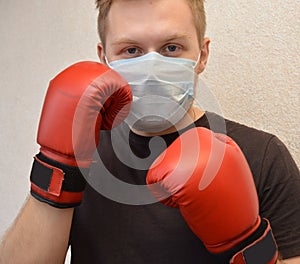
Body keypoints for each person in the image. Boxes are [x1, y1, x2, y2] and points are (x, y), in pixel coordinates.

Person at [0, 0, 299, 263]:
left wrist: (247, 245)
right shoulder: (82, 147)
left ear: (202, 55)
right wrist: (58, 163)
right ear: (105, 59)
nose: (152, 66)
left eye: (171, 47)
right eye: (131, 50)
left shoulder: (262, 156)